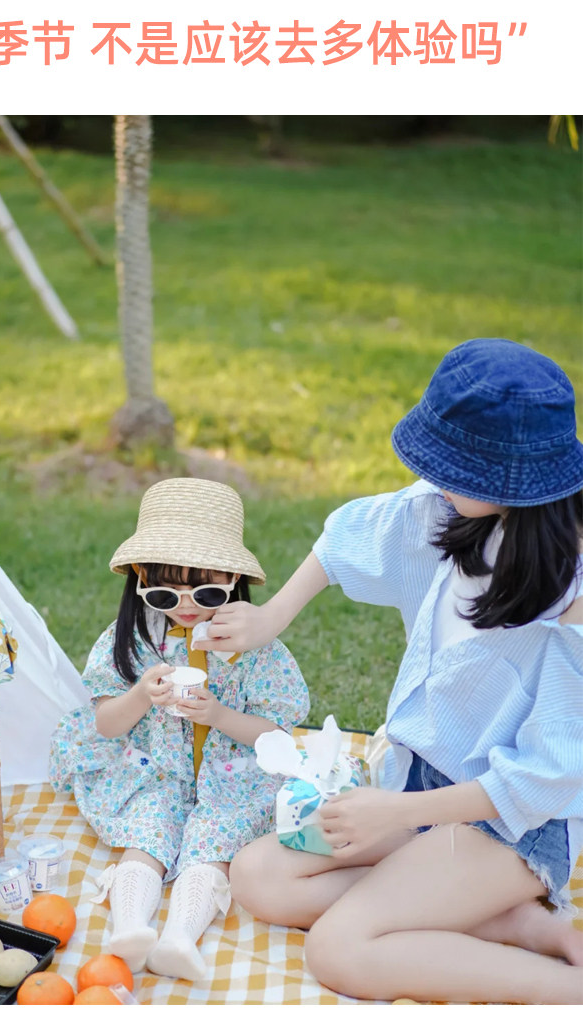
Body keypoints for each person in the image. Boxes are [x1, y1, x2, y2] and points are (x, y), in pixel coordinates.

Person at [195, 339, 583, 1004]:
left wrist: (394, 813)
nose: (431, 475)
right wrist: (270, 618)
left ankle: (565, 986)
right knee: (257, 876)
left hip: (507, 826)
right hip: (420, 787)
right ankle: (508, 922)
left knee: (338, 950)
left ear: (510, 485)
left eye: (452, 466)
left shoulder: (570, 610)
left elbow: (545, 780)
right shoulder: (448, 511)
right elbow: (348, 537)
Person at [49, 477, 309, 981]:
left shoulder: (255, 647)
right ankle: (130, 928)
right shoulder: (132, 640)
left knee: (213, 844)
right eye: (165, 592)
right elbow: (105, 724)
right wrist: (140, 695)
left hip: (233, 778)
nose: (186, 606)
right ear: (141, 579)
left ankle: (180, 939)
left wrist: (220, 717)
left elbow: (274, 734)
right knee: (148, 832)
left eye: (206, 591)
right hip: (155, 772)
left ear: (233, 580)